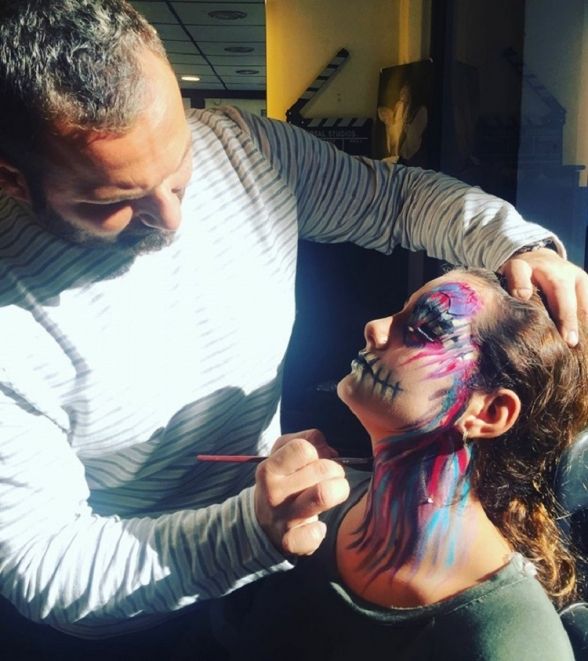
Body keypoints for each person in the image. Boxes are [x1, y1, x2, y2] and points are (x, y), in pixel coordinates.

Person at [0, 0, 586, 650]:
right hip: (129, 618)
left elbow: (397, 200)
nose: (170, 219)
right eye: (114, 200)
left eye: (179, 168)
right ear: (14, 180)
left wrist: (519, 244)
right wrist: (250, 529)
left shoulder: (242, 148)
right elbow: (47, 559)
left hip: (273, 564)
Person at [213, 267, 588, 660]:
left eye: (423, 329)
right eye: (399, 313)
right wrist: (254, 531)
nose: (374, 328)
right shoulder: (308, 508)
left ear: (489, 412)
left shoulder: (515, 644)